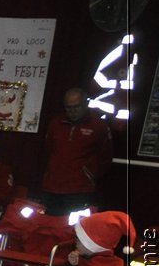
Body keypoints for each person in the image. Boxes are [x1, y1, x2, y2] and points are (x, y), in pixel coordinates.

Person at [40, 87, 113, 216]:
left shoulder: (98, 126)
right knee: (49, 225)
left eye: (76, 107)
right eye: (68, 108)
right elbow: (47, 151)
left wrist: (89, 174)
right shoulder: (56, 124)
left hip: (80, 188)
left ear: (86, 104)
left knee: (74, 227)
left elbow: (105, 157)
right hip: (53, 186)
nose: (72, 111)